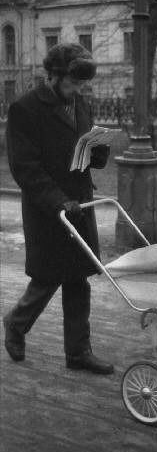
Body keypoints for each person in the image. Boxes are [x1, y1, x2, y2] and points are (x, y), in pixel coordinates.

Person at [3, 43, 114, 375]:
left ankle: (78, 352)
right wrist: (56, 201)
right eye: (72, 83)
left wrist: (100, 149)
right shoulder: (25, 109)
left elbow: (84, 151)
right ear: (52, 76)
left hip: (79, 204)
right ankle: (16, 324)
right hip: (49, 208)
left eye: (81, 85)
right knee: (48, 278)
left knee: (79, 278)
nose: (77, 90)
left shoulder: (79, 104)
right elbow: (25, 168)